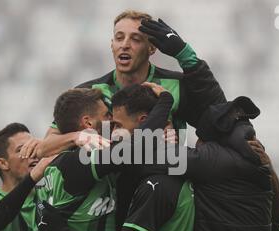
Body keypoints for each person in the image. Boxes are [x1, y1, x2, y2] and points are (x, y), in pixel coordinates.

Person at [37, 83, 196, 231]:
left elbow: (136, 156)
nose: (113, 127)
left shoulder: (97, 164)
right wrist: (165, 101)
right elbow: (137, 148)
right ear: (88, 123)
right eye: (108, 118)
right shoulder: (77, 161)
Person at [20, 10, 226, 159]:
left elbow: (217, 126)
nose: (125, 44)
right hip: (110, 204)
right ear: (112, 45)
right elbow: (45, 147)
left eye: (135, 39)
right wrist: (77, 136)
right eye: (119, 38)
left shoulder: (176, 85)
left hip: (162, 194)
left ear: (152, 48)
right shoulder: (89, 92)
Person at [33, 88, 116, 231]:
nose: (112, 120)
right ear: (88, 123)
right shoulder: (80, 159)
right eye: (107, 115)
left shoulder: (59, 161)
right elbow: (127, 152)